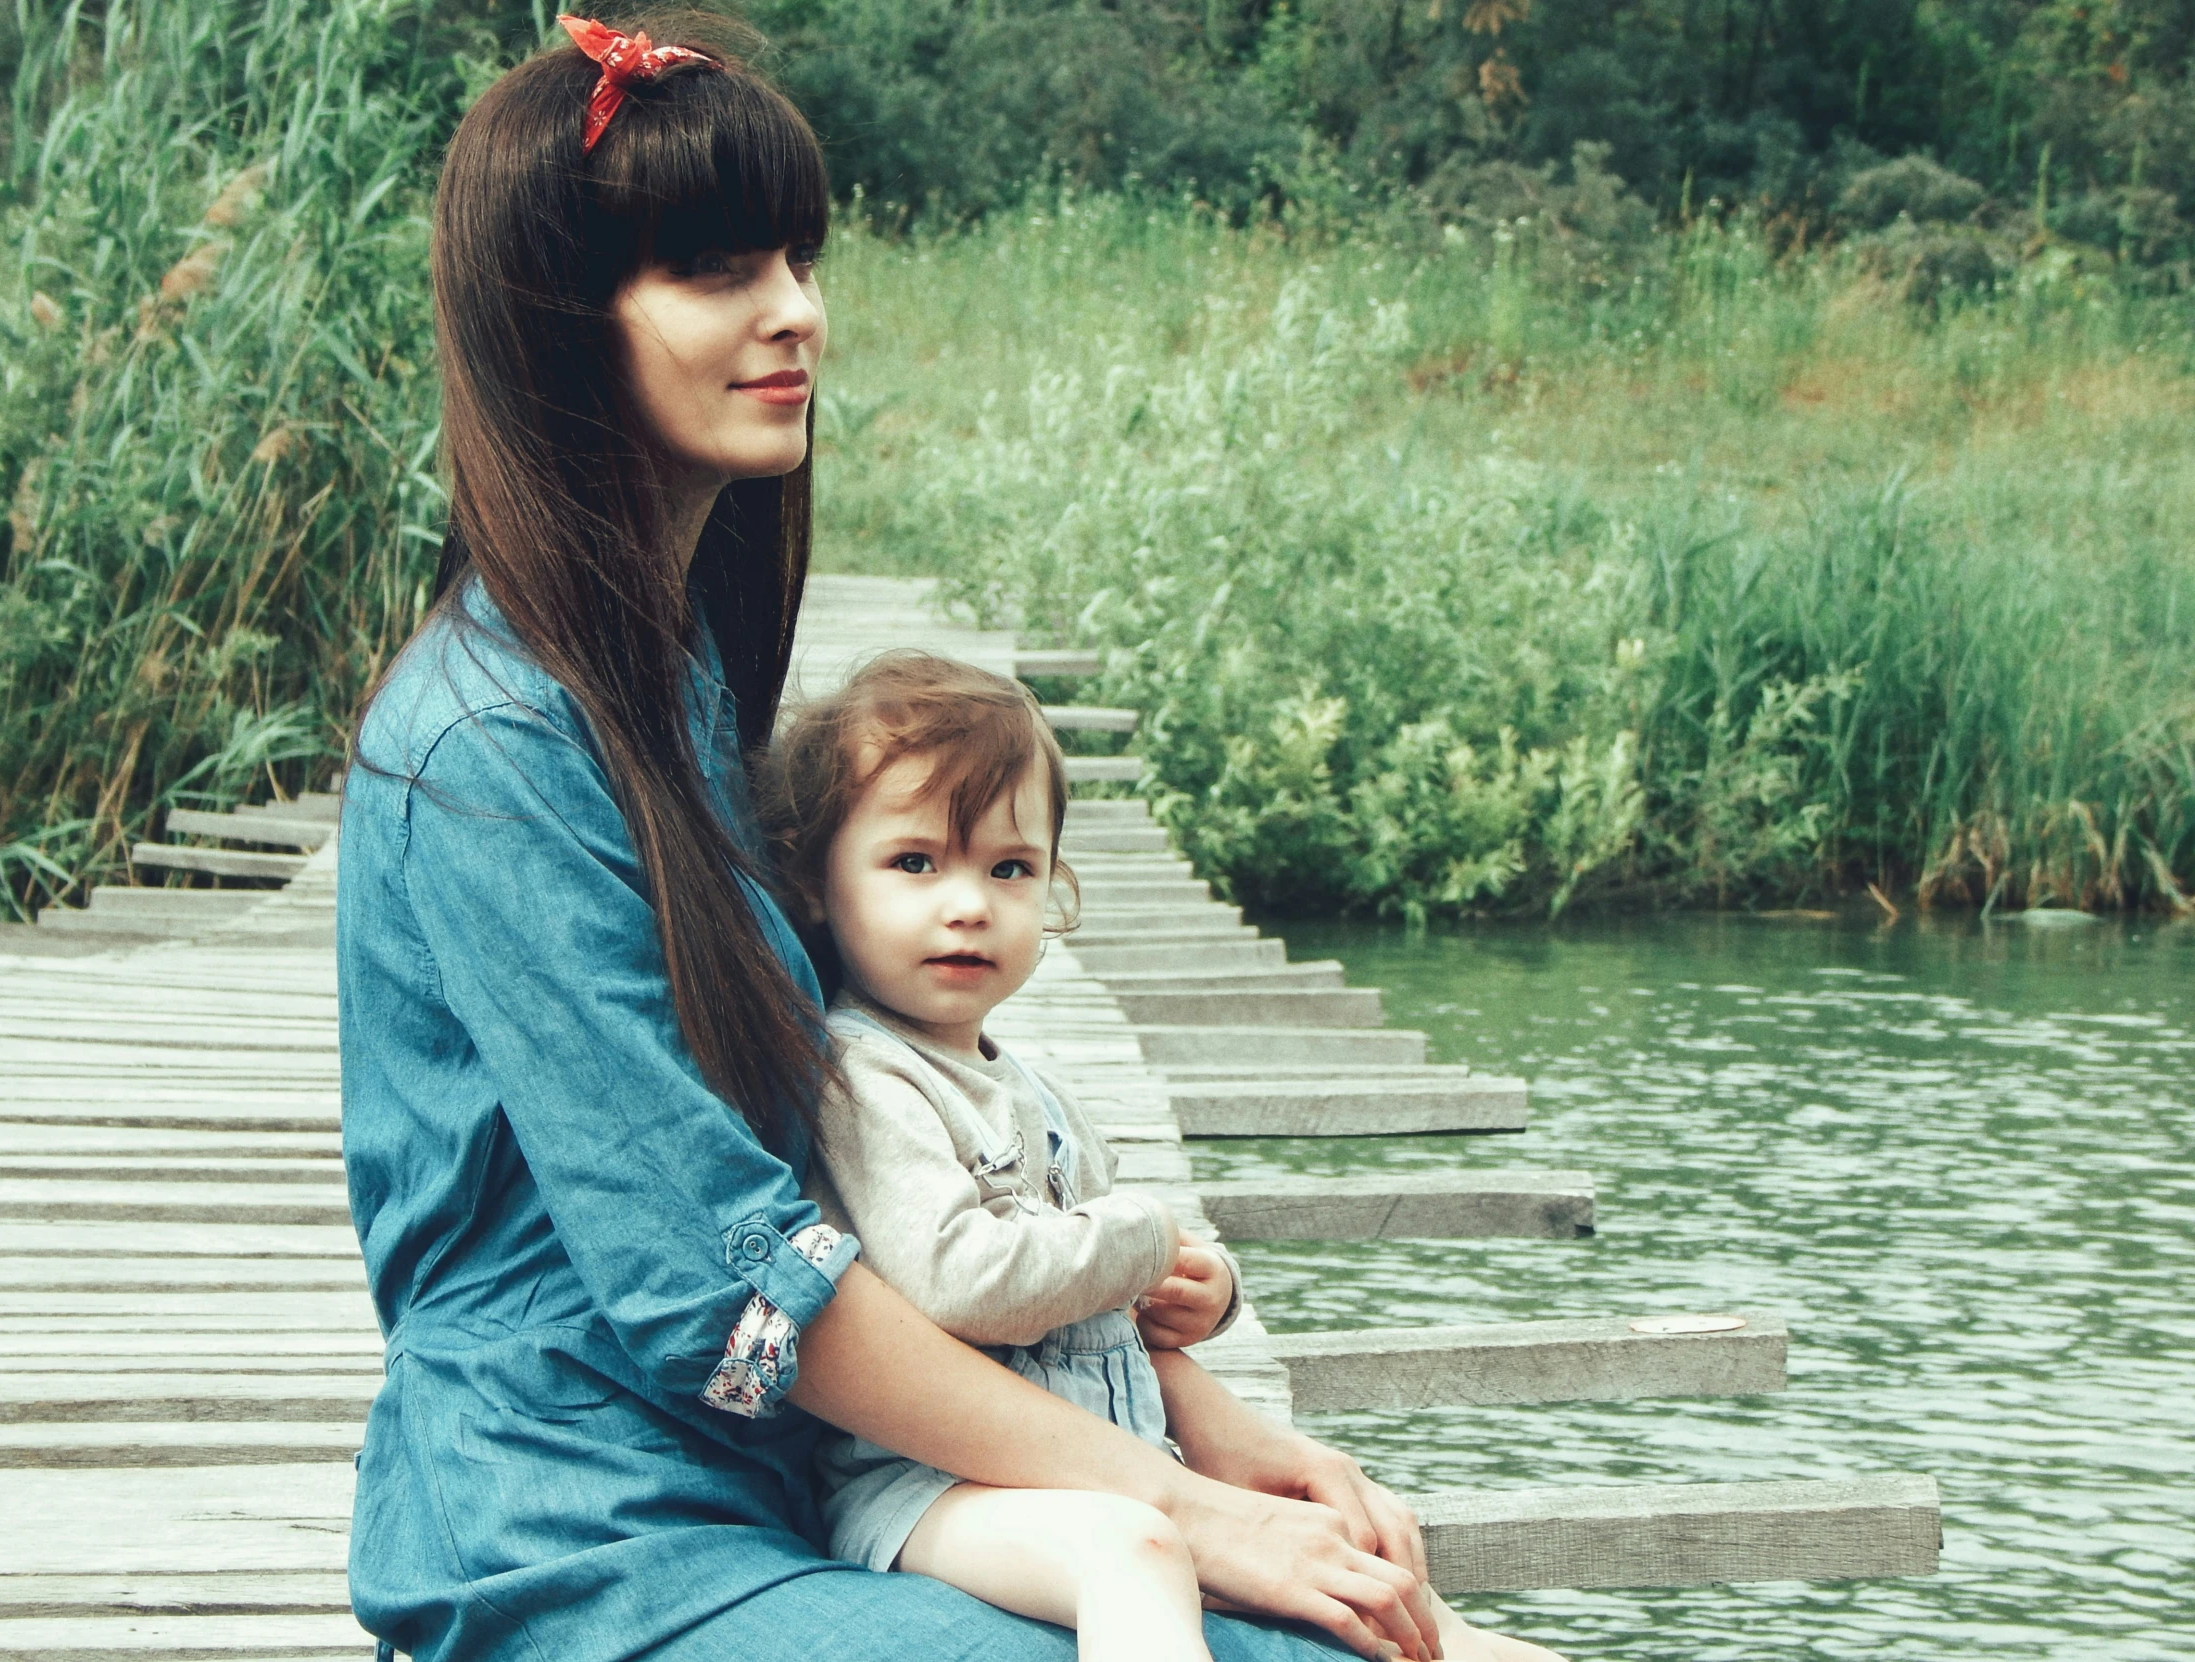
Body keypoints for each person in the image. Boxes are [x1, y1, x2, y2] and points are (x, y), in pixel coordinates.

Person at [337, 11, 1487, 1661]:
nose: (796, 311)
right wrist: (1184, 1509)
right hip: (580, 1538)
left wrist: (1203, 1424)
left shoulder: (682, 678)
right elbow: (732, 1280)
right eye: (719, 268)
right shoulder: (487, 751)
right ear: (557, 325)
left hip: (806, 1485)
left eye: (798, 257)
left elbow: (892, 1152)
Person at [755, 653, 1566, 1662]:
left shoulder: (1030, 1089)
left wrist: (1203, 1287)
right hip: (931, 1493)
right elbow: (960, 1282)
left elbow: (1115, 1294)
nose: (967, 904)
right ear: (817, 882)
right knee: (1136, 1549)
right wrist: (1141, 1235)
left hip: (1102, 1457)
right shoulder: (864, 1076)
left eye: (1008, 869)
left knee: (1367, 1569)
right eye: (914, 863)